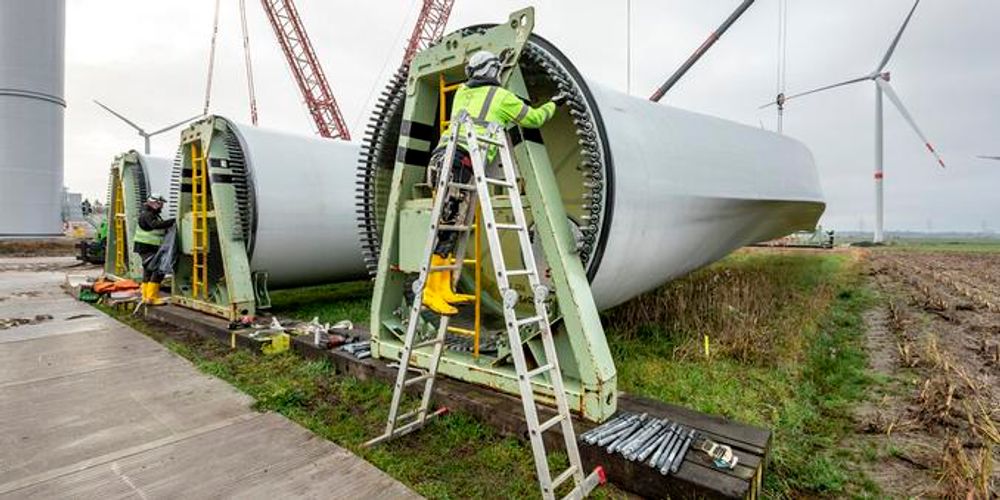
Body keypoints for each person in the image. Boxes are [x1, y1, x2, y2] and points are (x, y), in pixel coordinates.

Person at [422, 50, 567, 315]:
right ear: (493, 72)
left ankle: (442, 288)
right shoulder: (501, 97)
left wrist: (495, 60)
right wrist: (554, 104)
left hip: (442, 160)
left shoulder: (463, 93)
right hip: (460, 163)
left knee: (449, 227)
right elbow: (533, 118)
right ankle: (431, 291)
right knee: (448, 227)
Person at [133, 193, 174, 304]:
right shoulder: (148, 214)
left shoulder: (149, 214)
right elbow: (155, 225)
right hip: (147, 247)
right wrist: (173, 221)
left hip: (145, 247)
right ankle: (151, 298)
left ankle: (146, 297)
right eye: (160, 204)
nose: (162, 206)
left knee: (148, 271)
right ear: (153, 203)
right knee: (158, 270)